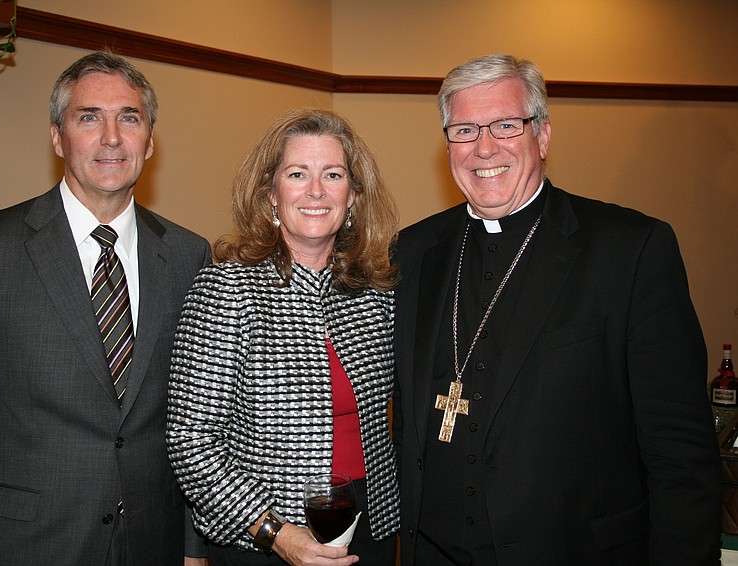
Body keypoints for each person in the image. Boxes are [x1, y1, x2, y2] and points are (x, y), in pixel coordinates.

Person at [393, 54, 722, 565]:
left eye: (506, 125)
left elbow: (681, 454)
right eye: (464, 130)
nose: (484, 148)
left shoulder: (629, 249)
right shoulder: (413, 251)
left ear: (542, 136)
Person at [0, 50, 211, 565]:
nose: (112, 137)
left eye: (130, 117)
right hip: (30, 547)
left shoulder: (189, 255)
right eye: (89, 117)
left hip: (153, 543)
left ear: (150, 139)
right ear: (57, 137)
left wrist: (193, 548)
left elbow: (197, 421)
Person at [166, 108, 400, 566]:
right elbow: (190, 440)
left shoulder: (378, 294)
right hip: (265, 542)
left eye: (332, 175)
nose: (316, 191)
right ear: (271, 194)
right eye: (298, 174)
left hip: (370, 531)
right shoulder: (226, 289)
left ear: (353, 195)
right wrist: (273, 531)